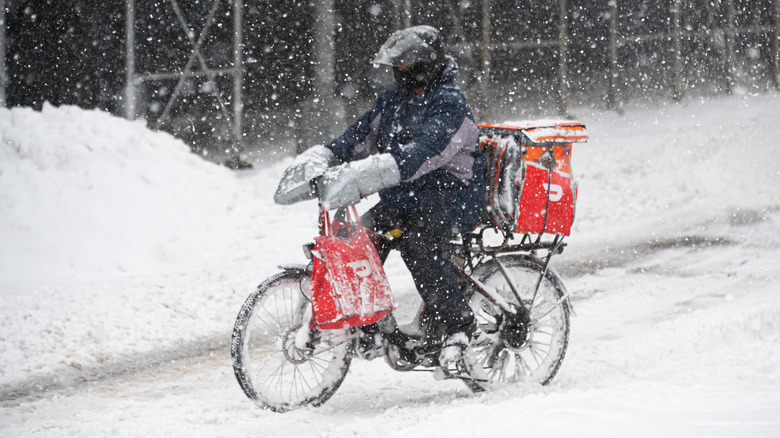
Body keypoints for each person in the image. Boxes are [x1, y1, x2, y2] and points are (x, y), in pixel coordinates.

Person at [276, 25, 486, 367]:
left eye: (406, 66)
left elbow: (426, 152)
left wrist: (372, 172)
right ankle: (372, 324)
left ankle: (460, 329)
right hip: (405, 197)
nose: (399, 72)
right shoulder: (392, 100)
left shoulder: (449, 102)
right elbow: (357, 138)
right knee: (354, 242)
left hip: (450, 197)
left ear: (425, 64)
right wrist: (326, 156)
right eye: (396, 66)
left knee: (420, 247)